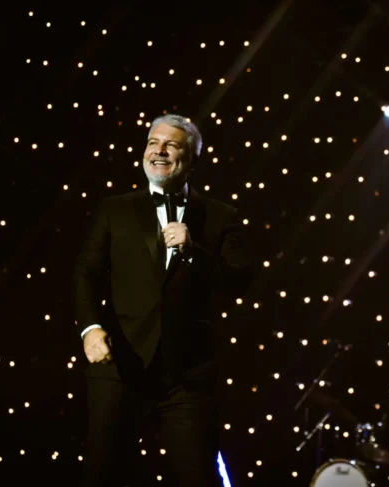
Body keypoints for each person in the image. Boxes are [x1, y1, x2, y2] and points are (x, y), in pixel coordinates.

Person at [74, 114, 253, 487]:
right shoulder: (115, 208)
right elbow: (86, 273)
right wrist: (90, 328)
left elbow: (240, 282)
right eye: (153, 143)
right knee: (103, 474)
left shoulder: (220, 215)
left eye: (172, 145)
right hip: (120, 364)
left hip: (186, 374)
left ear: (192, 158)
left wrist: (194, 251)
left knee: (197, 476)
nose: (160, 151)